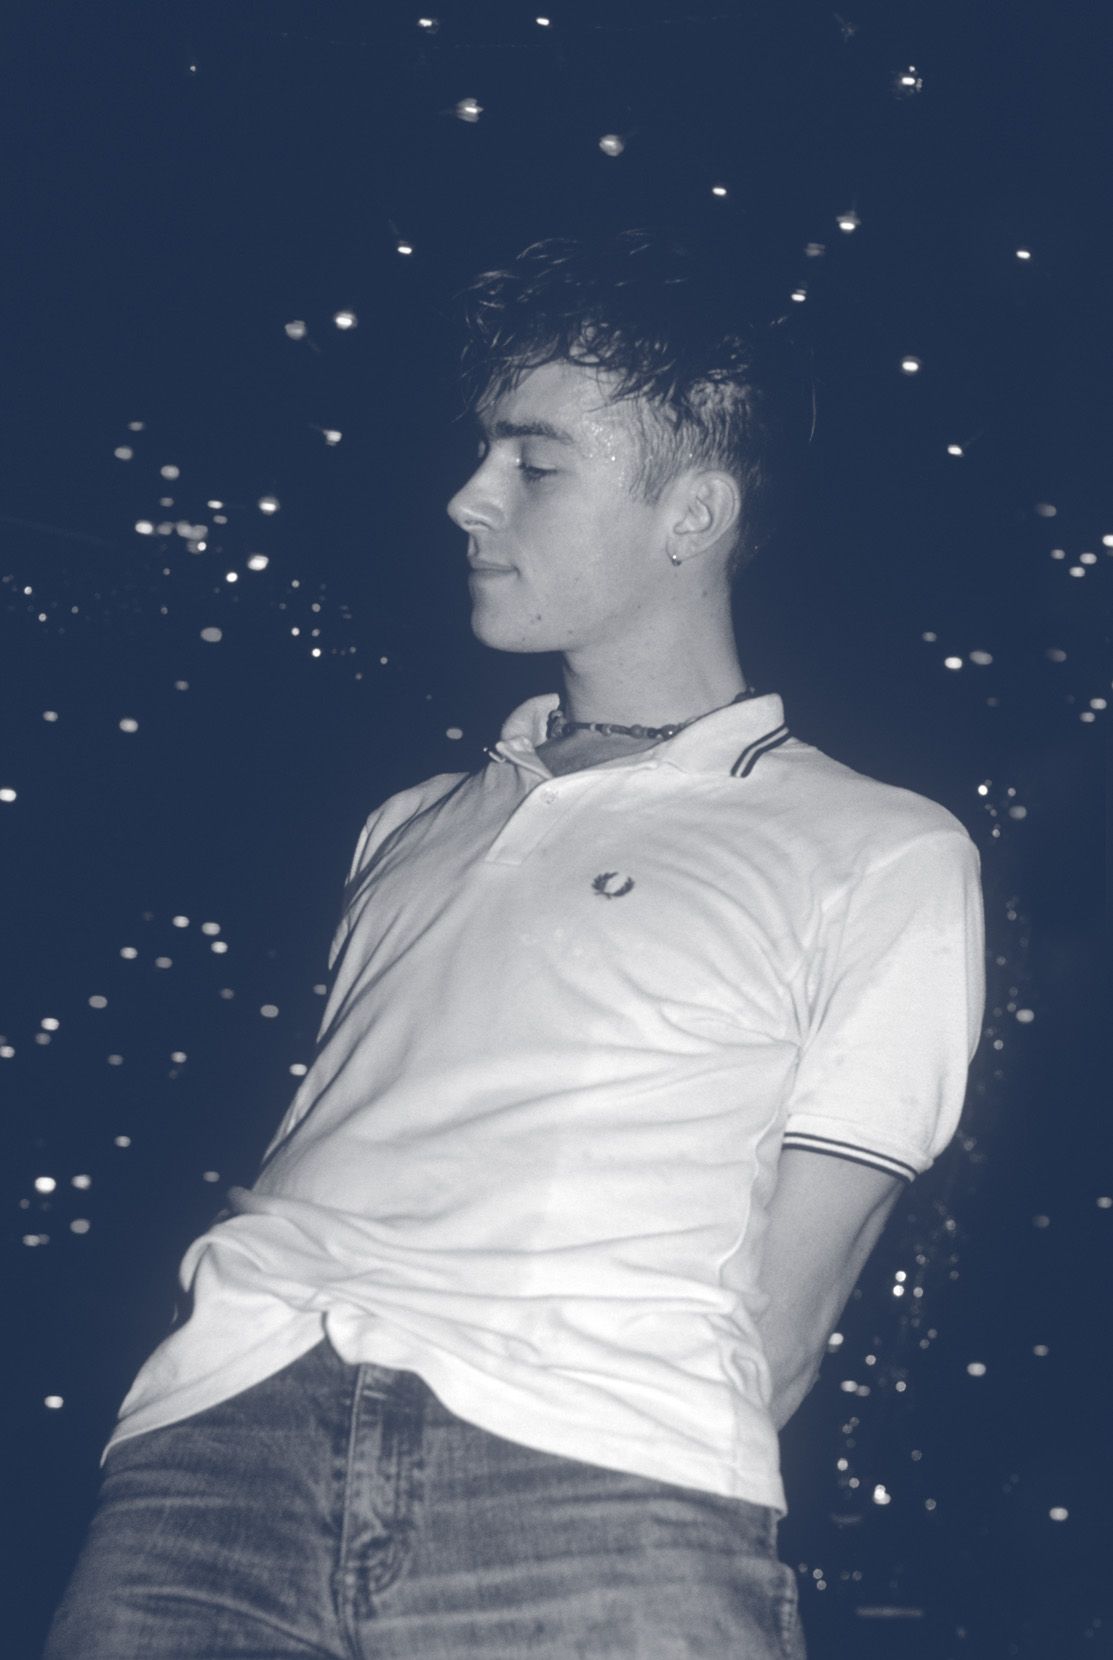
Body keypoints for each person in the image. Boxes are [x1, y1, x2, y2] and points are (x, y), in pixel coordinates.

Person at [46, 228, 985, 1659]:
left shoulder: (879, 847)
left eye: (533, 464)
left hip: (594, 1478)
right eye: (483, 452)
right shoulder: (408, 819)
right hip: (212, 1445)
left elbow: (793, 1311)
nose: (468, 497)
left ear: (693, 514)